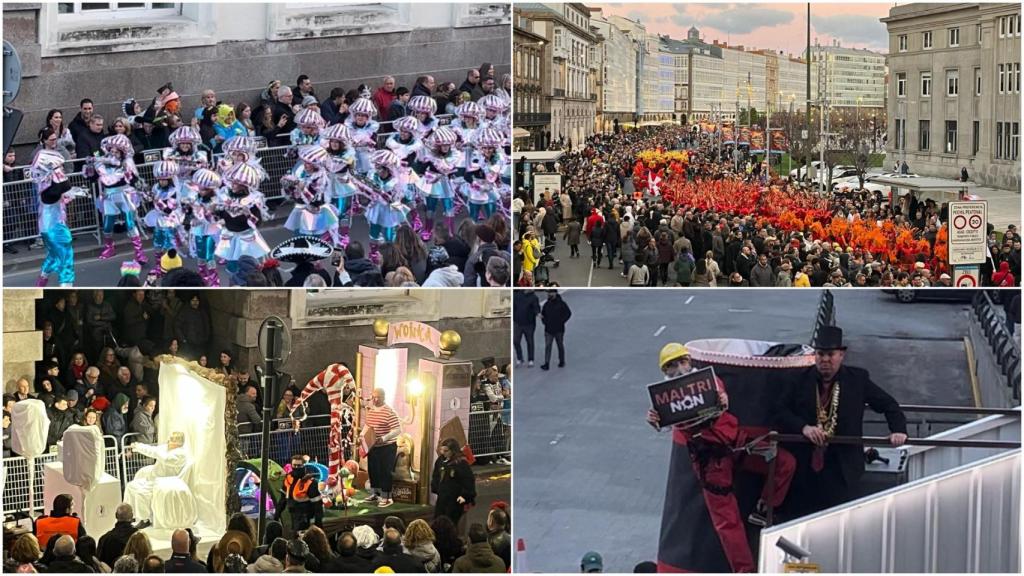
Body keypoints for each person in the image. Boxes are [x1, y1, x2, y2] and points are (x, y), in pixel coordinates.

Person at [646, 343, 796, 573]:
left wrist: (722, 398)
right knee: (728, 522)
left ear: (689, 361)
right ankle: (744, 571)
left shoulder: (709, 382)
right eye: (672, 366)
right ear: (665, 371)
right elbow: (664, 423)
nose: (678, 368)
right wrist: (655, 419)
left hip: (736, 443)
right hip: (711, 462)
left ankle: (764, 507)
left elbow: (720, 394)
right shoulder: (664, 402)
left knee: (785, 463)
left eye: (681, 362)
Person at [775, 326, 908, 515]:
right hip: (803, 469)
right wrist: (803, 427)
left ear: (841, 355)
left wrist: (898, 430)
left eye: (830, 354)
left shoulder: (857, 379)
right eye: (820, 354)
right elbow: (779, 411)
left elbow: (889, 404)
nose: (825, 360)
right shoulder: (798, 379)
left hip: (842, 468)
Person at [123, 431, 191, 527]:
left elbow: (165, 458)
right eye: (170, 439)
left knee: (141, 493)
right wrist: (138, 446)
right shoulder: (165, 448)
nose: (169, 441)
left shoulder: (180, 454)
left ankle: (145, 519)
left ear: (178, 443)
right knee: (131, 486)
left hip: (164, 482)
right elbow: (152, 450)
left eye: (172, 440)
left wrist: (151, 450)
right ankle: (129, 515)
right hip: (152, 479)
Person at [365, 387, 401, 507]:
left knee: (385, 471)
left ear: (383, 397)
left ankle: (387, 497)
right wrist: (362, 436)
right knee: (373, 469)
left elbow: (397, 430)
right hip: (373, 446)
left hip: (387, 447)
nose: (375, 400)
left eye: (377, 397)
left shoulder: (389, 412)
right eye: (373, 397)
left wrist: (383, 438)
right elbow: (367, 426)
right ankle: (375, 493)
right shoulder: (371, 411)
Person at [430, 438, 476, 527]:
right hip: (442, 498)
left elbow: (468, 480)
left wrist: (465, 495)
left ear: (453, 451)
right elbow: (436, 475)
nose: (443, 453)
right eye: (441, 450)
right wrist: (436, 488)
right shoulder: (440, 461)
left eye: (446, 451)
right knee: (438, 521)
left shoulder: (461, 463)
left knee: (451, 523)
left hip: (455, 500)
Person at [277, 454, 320, 531]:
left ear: (303, 465)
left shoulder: (310, 482)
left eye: (299, 465)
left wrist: (318, 524)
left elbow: (317, 505)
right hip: (293, 515)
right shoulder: (288, 478)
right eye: (294, 465)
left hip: (305, 518)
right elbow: (282, 499)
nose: (296, 468)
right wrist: (276, 515)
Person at [540, 289, 571, 370]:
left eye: (550, 292)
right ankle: (546, 363)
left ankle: (562, 361)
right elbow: (543, 314)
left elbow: (568, 313)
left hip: (559, 329)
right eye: (548, 293)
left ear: (555, 293)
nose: (549, 294)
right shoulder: (547, 304)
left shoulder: (561, 304)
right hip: (548, 329)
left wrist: (561, 321)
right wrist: (545, 322)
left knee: (560, 345)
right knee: (548, 346)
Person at [513, 289, 540, 367]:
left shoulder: (534, 297)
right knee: (516, 341)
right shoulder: (517, 295)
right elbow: (514, 306)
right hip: (518, 323)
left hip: (529, 324)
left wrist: (538, 313)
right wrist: (514, 317)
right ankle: (519, 358)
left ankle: (530, 359)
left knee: (530, 341)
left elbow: (536, 308)